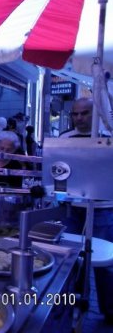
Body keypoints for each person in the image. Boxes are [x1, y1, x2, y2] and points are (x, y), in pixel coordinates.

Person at [58, 96, 113, 322]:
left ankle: (109, 310)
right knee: (71, 259)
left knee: (104, 261)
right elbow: (57, 172)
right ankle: (72, 305)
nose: (79, 118)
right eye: (75, 113)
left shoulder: (109, 138)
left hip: (103, 208)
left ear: (95, 114)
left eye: (85, 113)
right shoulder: (64, 138)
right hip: (72, 208)